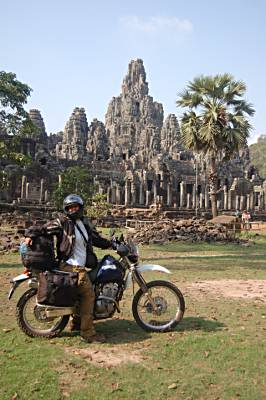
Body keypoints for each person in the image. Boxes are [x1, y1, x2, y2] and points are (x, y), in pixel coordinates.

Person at [24, 194, 112, 343]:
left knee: (84, 291)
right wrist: (30, 234)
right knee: (88, 294)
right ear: (66, 209)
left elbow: (95, 239)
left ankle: (76, 323)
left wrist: (111, 244)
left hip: (80, 265)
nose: (73, 209)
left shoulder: (84, 224)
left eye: (75, 207)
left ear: (81, 207)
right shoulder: (62, 222)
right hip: (70, 265)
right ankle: (88, 333)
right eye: (70, 207)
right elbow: (44, 228)